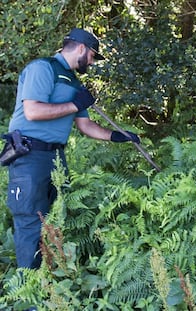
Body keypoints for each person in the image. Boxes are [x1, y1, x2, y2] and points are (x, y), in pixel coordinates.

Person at [5, 28, 140, 269]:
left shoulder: (76, 84)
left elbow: (85, 125)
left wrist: (117, 136)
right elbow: (33, 112)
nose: (91, 61)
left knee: (54, 219)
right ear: (81, 48)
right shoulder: (43, 68)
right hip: (30, 156)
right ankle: (27, 297)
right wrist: (74, 103)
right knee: (29, 221)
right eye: (92, 55)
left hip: (56, 157)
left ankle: (48, 281)